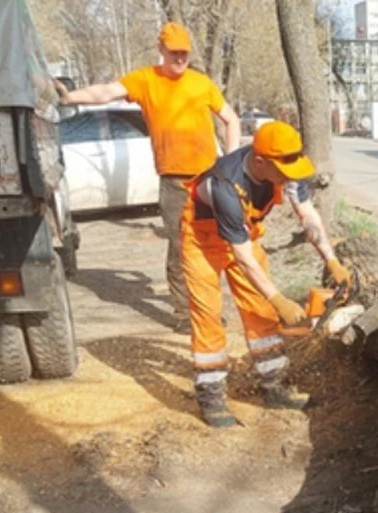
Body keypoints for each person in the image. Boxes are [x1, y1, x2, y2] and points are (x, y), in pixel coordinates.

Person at [56, 23, 241, 332]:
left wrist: (231, 162)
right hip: (174, 182)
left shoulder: (201, 83)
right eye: (174, 53)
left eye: (184, 53)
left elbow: (231, 119)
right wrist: (70, 97)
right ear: (162, 51)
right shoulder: (144, 80)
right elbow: (106, 92)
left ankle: (208, 308)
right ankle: (185, 313)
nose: (180, 58)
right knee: (181, 245)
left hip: (210, 179)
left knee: (213, 244)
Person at [180, 122, 353, 427]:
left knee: (260, 311)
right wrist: (279, 299)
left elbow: (307, 214)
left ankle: (276, 387)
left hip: (244, 234)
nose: (290, 177)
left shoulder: (286, 167)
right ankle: (212, 396)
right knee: (208, 314)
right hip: (202, 238)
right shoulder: (225, 184)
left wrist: (332, 260)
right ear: (260, 162)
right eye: (284, 171)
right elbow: (243, 258)